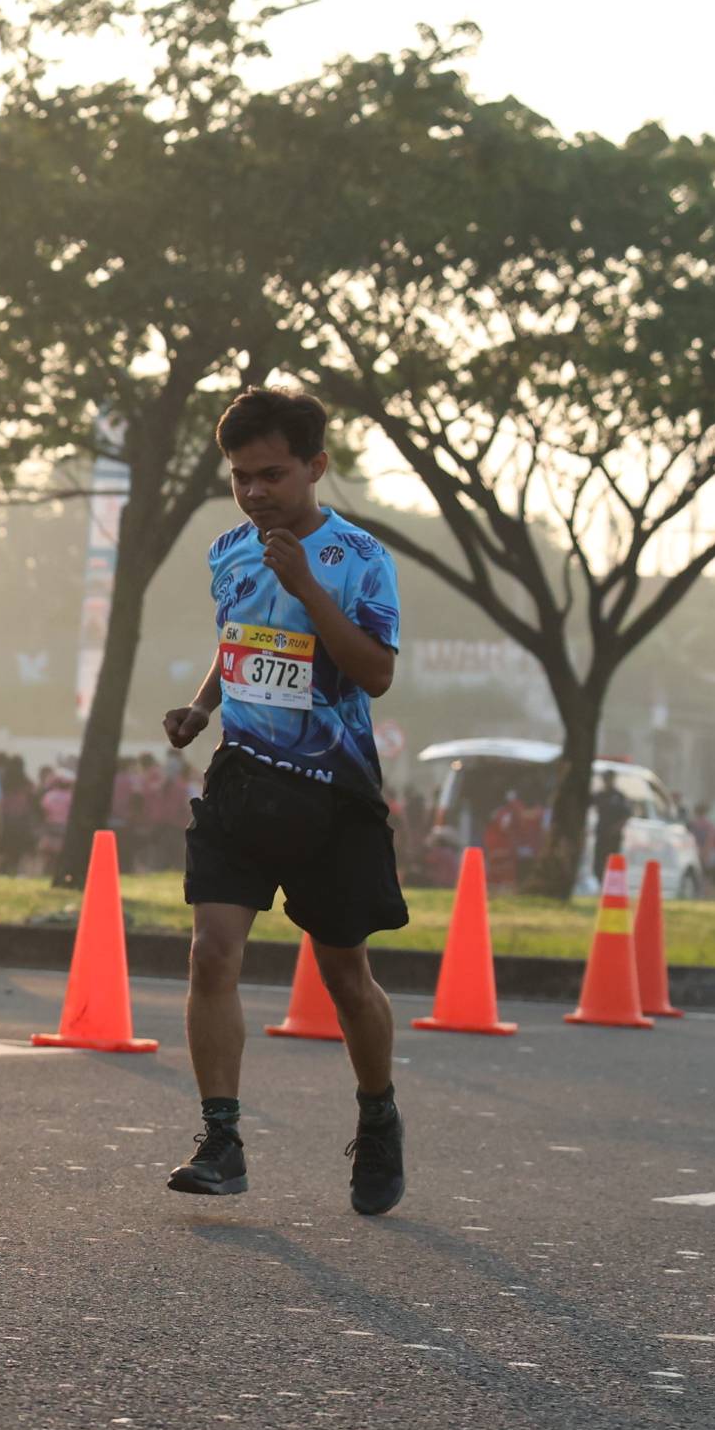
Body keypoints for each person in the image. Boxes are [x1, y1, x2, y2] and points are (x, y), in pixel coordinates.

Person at [157, 387, 407, 1215]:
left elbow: (375, 672)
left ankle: (378, 1116)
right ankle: (220, 1139)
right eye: (240, 476)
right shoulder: (229, 550)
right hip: (242, 780)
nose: (255, 491)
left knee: (346, 976)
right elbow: (241, 641)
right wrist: (203, 706)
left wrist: (308, 586)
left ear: (315, 467)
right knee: (211, 954)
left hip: (332, 794)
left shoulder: (360, 557)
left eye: (272, 474)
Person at [589, 770, 629, 879]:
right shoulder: (600, 795)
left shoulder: (619, 796)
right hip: (601, 833)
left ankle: (611, 882)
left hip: (614, 836)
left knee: (612, 861)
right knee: (599, 861)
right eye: (605, 779)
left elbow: (626, 815)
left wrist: (617, 828)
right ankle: (599, 880)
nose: (607, 781)